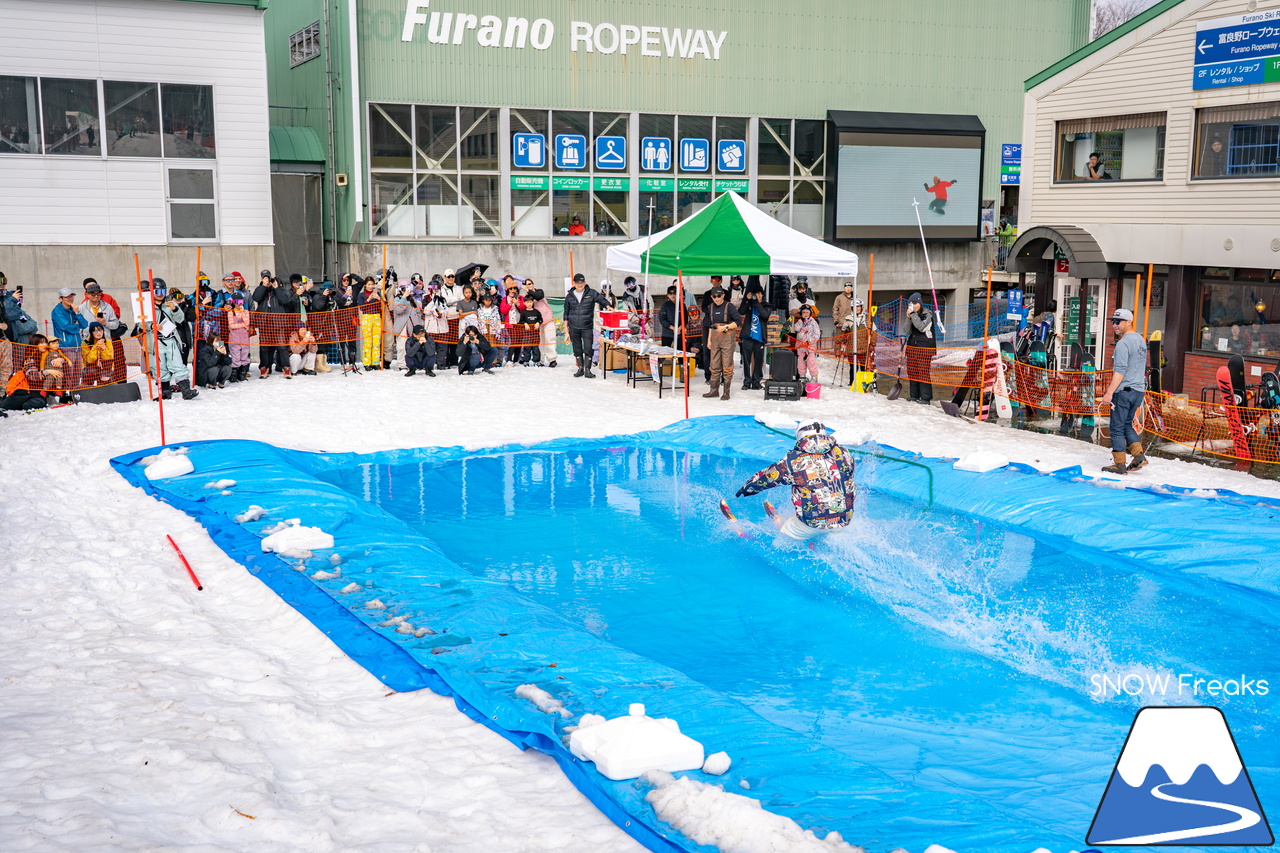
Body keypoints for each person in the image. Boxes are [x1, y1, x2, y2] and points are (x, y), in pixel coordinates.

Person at [733, 421, 858, 541]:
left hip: (812, 523)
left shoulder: (795, 460)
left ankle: (784, 544)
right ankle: (820, 539)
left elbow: (768, 477)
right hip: (844, 519)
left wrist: (749, 488)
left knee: (782, 542)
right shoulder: (844, 453)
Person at [1100, 308, 1148, 474]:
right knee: (1127, 424)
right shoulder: (1141, 341)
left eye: (1118, 322)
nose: (1115, 325)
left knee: (1116, 427)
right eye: (1113, 321)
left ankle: (1119, 464)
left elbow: (1120, 369)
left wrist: (1109, 393)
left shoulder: (1123, 343)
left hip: (1124, 391)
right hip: (1138, 391)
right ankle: (1138, 456)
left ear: (1129, 322)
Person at [563, 273, 609, 378]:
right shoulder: (569, 296)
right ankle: (580, 368)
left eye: (582, 282)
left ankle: (588, 369)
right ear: (574, 283)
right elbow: (566, 313)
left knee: (588, 347)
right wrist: (566, 329)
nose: (580, 285)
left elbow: (601, 300)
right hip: (573, 326)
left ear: (585, 283)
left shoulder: (591, 293)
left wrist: (608, 306)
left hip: (587, 326)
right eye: (578, 283)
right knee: (577, 348)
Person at [253, 274, 298, 378]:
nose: (269, 282)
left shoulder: (281, 290)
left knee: (282, 346)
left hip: (278, 323)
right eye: (266, 279)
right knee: (264, 347)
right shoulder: (261, 289)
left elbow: (285, 300)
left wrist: (276, 288)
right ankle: (265, 368)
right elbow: (256, 297)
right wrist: (264, 286)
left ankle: (286, 368)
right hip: (264, 323)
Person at [701, 286, 741, 400]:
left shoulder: (730, 306)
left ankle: (726, 392)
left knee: (727, 366)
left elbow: (737, 321)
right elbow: (709, 325)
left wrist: (726, 327)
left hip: (727, 338)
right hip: (715, 338)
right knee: (714, 365)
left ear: (723, 295)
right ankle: (714, 390)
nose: (717, 298)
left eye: (719, 296)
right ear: (711, 297)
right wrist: (709, 340)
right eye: (714, 296)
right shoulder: (710, 308)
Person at [157, 291, 198, 400]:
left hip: (171, 338)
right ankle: (165, 392)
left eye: (162, 291)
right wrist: (151, 326)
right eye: (157, 291)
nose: (160, 294)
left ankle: (186, 391)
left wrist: (175, 309)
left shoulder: (170, 304)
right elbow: (142, 324)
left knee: (178, 364)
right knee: (161, 368)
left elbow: (180, 318)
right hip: (156, 340)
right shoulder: (147, 307)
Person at [904, 292, 936, 404]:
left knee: (923, 373)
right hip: (912, 347)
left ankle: (926, 397)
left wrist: (913, 315)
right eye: (911, 303)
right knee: (912, 371)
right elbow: (906, 331)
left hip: (925, 348)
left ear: (920, 303)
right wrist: (908, 318)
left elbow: (921, 328)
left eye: (916, 303)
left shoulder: (928, 315)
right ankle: (914, 395)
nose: (914, 305)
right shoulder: (913, 315)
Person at [792, 304, 822, 382]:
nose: (805, 314)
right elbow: (795, 328)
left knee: (811, 362)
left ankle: (814, 376)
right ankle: (802, 376)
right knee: (801, 363)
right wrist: (801, 328)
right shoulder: (799, 321)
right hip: (801, 347)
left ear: (810, 313)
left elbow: (817, 334)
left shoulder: (813, 323)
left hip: (810, 347)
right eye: (804, 313)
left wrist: (810, 341)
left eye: (807, 313)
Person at [529, 284, 558, 367]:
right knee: (540, 341)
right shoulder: (528, 297)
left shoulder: (539, 292)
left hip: (547, 318)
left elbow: (538, 296)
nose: (529, 286)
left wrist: (529, 290)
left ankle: (552, 359)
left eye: (530, 284)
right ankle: (540, 360)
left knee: (550, 339)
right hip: (537, 321)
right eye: (527, 285)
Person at [80, 322, 115, 386]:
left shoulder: (108, 341)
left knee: (105, 374)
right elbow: (89, 360)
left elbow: (110, 358)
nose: (98, 333)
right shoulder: (85, 343)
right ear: (91, 332)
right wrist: (95, 347)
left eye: (100, 330)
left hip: (105, 366)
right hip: (89, 367)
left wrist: (104, 349)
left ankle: (104, 390)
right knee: (90, 373)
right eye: (95, 331)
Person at [226, 298, 252, 381]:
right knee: (235, 356)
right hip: (234, 338)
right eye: (237, 302)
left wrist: (243, 313)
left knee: (244, 354)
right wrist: (242, 325)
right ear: (233, 302)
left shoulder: (246, 312)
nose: (239, 304)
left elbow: (247, 323)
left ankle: (242, 374)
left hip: (244, 338)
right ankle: (234, 374)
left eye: (241, 302)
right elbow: (231, 326)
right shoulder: (231, 312)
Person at [658, 283, 688, 349]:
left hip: (680, 334)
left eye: (674, 293)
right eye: (670, 293)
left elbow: (685, 319)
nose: (672, 295)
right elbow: (662, 319)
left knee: (681, 354)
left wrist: (679, 328)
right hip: (667, 334)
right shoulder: (665, 305)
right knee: (664, 353)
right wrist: (673, 328)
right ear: (667, 295)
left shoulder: (682, 305)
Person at [832, 281, 856, 362]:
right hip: (841, 321)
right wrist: (836, 320)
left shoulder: (854, 297)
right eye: (846, 287)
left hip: (851, 322)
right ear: (844, 288)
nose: (848, 289)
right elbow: (835, 309)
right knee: (839, 338)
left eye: (849, 287)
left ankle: (848, 352)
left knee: (850, 339)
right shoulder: (839, 297)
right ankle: (837, 353)